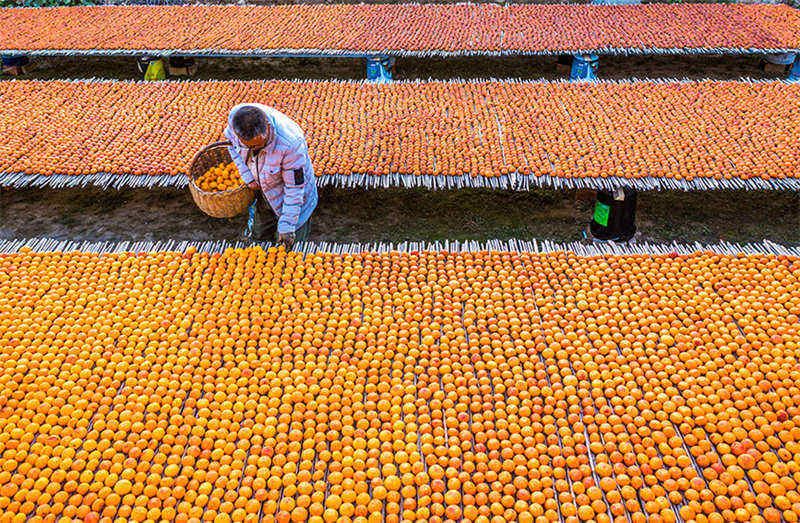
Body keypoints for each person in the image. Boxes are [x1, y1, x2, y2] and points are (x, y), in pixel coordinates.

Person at [224, 104, 318, 249]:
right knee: (258, 241)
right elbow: (231, 147)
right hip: (265, 188)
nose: (254, 150)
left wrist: (287, 225)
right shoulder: (236, 121)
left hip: (295, 198)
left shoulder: (290, 143)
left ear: (268, 127)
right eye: (248, 147)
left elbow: (294, 187)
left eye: (258, 146)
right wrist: (248, 176)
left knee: (289, 251)